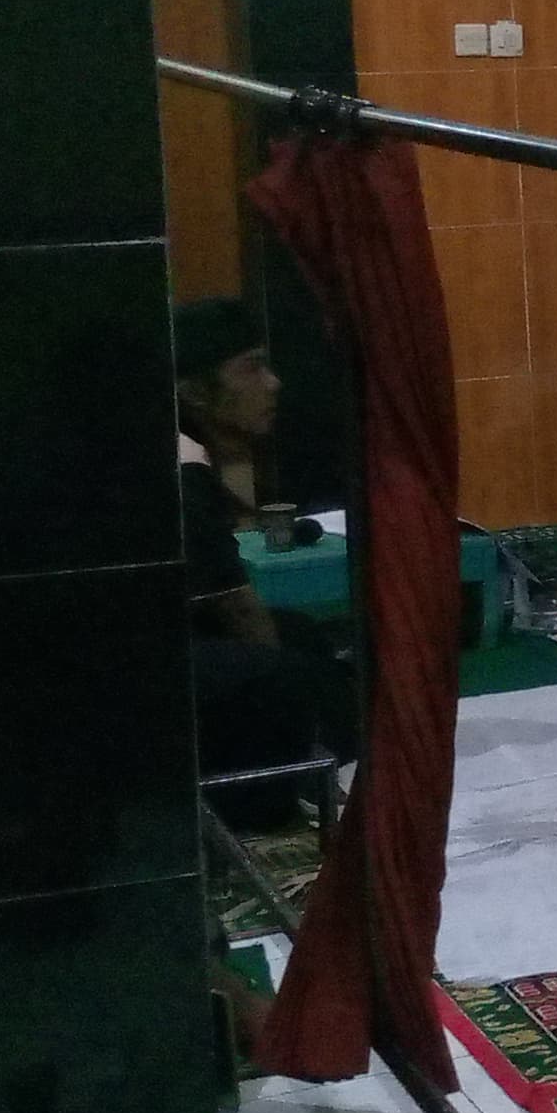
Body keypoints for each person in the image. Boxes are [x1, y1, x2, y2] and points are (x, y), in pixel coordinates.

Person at [172, 298, 358, 830]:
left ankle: (318, 772)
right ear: (194, 390)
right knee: (278, 672)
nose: (273, 384)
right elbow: (238, 610)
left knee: (301, 636)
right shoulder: (182, 466)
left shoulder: (187, 451)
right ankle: (274, 807)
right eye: (252, 368)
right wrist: (294, 698)